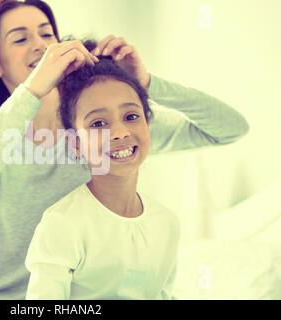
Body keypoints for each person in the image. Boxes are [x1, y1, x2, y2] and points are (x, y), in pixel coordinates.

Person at [0, 0, 249, 300]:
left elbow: (230, 128)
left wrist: (145, 82)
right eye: (21, 38)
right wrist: (32, 91)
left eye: (47, 34)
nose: (40, 44)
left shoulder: (105, 130)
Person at [25, 52, 179, 300]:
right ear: (75, 144)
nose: (119, 132)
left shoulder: (167, 223)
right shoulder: (62, 224)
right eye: (98, 123)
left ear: (147, 124)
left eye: (131, 117)